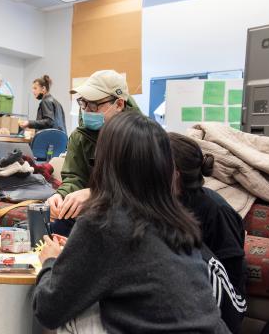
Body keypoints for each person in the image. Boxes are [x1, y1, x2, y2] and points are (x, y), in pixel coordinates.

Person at [33, 112, 230, 333]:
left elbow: (48, 309)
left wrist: (49, 262)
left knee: (74, 315)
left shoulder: (103, 222)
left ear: (106, 162)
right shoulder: (180, 221)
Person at [169, 132, 247, 333]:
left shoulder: (215, 210)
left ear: (175, 173)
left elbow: (231, 278)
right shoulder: (168, 203)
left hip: (219, 300)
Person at [46, 70, 139, 235]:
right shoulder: (80, 137)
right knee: (57, 226)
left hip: (134, 215)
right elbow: (75, 177)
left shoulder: (142, 137)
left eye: (94, 104)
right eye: (83, 103)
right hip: (96, 211)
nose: (87, 110)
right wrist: (60, 196)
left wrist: (94, 194)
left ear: (118, 104)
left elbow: (142, 188)